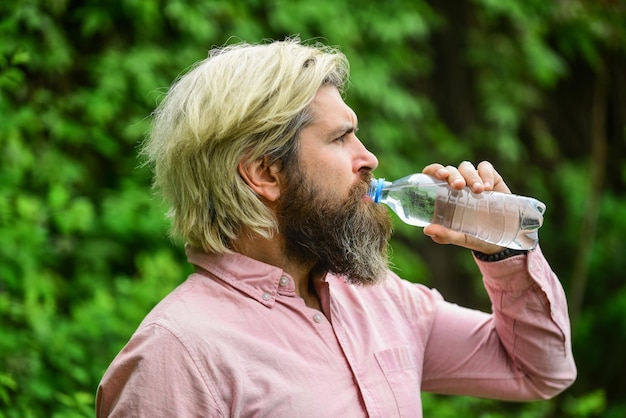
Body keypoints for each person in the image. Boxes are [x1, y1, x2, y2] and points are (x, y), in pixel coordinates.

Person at [96, 38, 576, 417]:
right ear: (264, 173)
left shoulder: (381, 300)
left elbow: (539, 371)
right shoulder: (177, 357)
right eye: (341, 138)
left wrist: (503, 251)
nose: (368, 158)